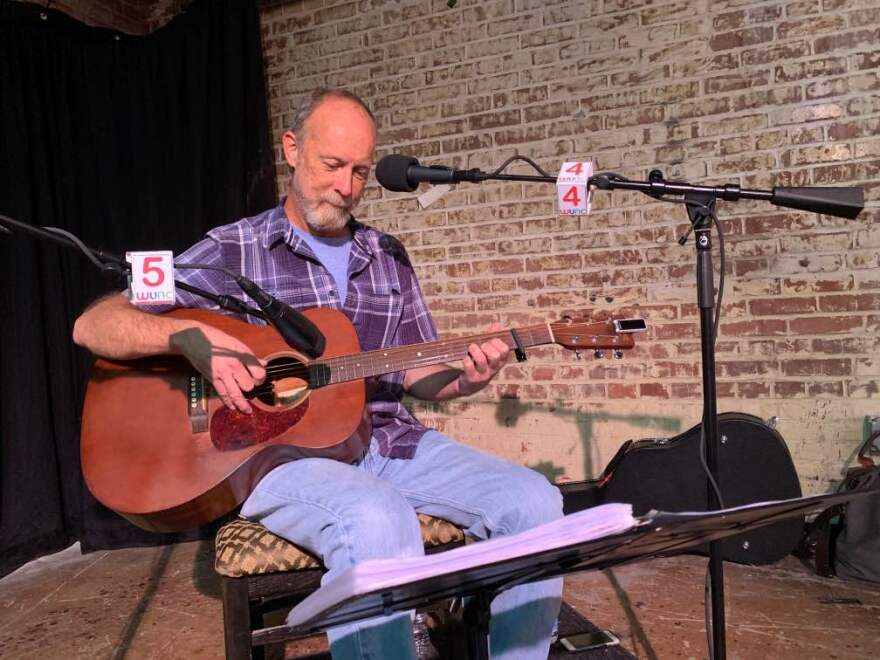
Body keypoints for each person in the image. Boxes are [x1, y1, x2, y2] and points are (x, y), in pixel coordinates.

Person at [73, 88, 563, 659]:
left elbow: (418, 374)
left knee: (534, 502)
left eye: (359, 171)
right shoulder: (233, 250)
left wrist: (466, 379)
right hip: (276, 457)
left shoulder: (388, 256)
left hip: (388, 440)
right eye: (332, 166)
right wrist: (187, 336)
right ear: (291, 148)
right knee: (377, 517)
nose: (346, 186)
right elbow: (95, 324)